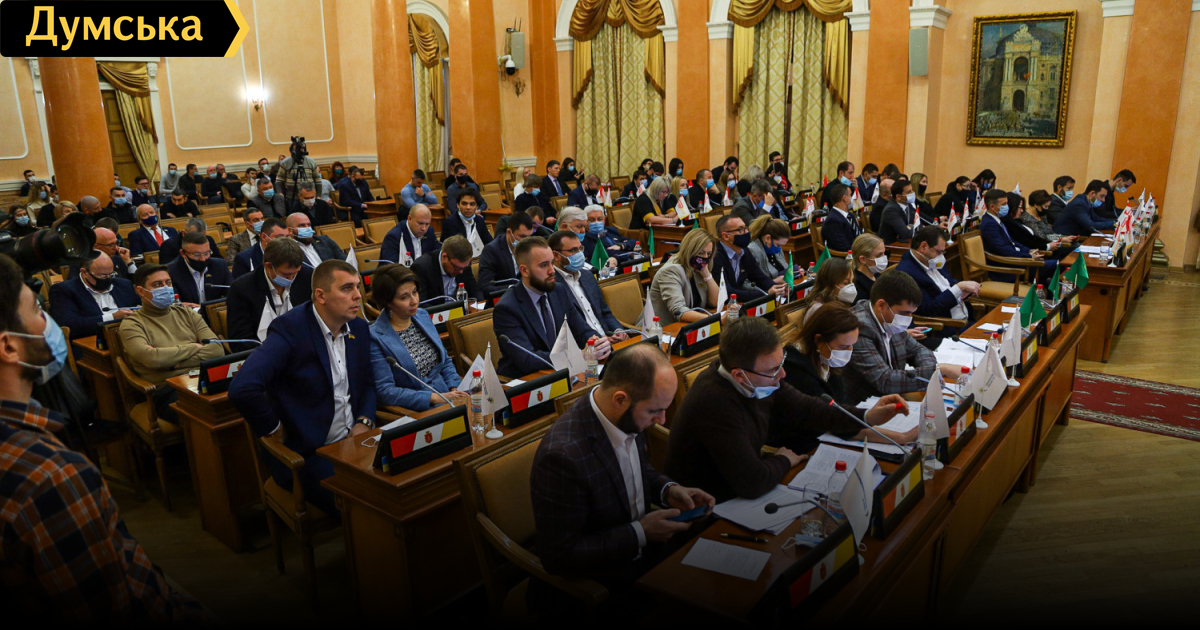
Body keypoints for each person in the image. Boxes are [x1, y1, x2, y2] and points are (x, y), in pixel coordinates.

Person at [0, 254, 209, 623]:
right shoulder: (49, 475)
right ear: (9, 347)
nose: (51, 324)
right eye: (37, 310)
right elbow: (118, 607)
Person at [529, 344, 714, 611]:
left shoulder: (624, 416)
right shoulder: (562, 457)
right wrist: (640, 533)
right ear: (620, 400)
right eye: (655, 411)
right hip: (600, 586)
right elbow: (559, 556)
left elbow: (636, 470)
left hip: (643, 557)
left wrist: (668, 490)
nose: (662, 420)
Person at [665, 316, 907, 503]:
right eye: (773, 369)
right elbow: (752, 482)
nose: (782, 374)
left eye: (781, 363)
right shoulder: (715, 403)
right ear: (739, 375)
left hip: (741, 486)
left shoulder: (758, 378)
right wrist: (783, 459)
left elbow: (809, 408)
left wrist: (867, 416)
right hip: (709, 506)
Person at [229, 260, 376, 517]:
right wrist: (273, 428)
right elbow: (243, 387)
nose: (357, 295)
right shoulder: (291, 330)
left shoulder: (359, 328)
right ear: (321, 295)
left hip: (356, 442)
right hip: (310, 453)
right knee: (369, 507)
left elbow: (368, 383)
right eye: (346, 288)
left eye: (357, 287)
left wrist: (364, 420)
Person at [781, 304, 921, 451]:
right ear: (818, 341)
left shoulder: (825, 358)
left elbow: (840, 409)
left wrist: (870, 415)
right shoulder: (797, 370)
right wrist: (902, 437)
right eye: (843, 347)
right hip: (798, 446)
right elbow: (834, 420)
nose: (848, 352)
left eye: (851, 346)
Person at [120, 263, 225, 424]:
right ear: (141, 291)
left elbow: (216, 350)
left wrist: (172, 364)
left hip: (205, 378)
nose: (165, 288)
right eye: (157, 284)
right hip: (168, 390)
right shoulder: (132, 324)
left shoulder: (187, 313)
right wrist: (193, 347)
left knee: (242, 398)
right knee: (204, 415)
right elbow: (152, 359)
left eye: (168, 283)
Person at [842, 270, 964, 404]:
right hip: (866, 405)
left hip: (896, 397)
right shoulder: (859, 328)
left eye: (911, 313)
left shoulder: (890, 320)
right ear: (881, 305)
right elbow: (885, 380)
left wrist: (932, 372)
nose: (908, 319)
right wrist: (938, 371)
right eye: (904, 313)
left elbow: (919, 350)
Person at [493, 237, 608, 378]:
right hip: (528, 379)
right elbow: (527, 359)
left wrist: (596, 343)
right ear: (525, 270)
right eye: (544, 265)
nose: (552, 270)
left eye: (552, 263)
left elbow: (581, 329)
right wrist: (577, 356)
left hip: (563, 372)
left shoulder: (558, 290)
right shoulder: (507, 308)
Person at [368, 264, 468, 411]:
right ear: (388, 302)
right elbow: (386, 391)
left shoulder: (422, 315)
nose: (414, 301)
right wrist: (433, 398)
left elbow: (445, 361)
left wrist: (454, 387)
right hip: (419, 408)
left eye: (415, 292)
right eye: (404, 297)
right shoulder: (375, 337)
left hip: (449, 396)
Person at [226, 237, 311, 344]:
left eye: (295, 273)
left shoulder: (306, 276)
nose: (291, 279)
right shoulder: (242, 288)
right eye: (286, 274)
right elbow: (240, 338)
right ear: (268, 266)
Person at [896, 226, 979, 333]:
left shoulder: (933, 261)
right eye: (939, 252)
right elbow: (928, 309)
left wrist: (963, 292)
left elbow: (949, 283)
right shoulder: (906, 273)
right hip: (951, 327)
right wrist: (958, 288)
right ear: (923, 247)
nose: (941, 257)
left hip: (967, 320)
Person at [549, 231, 627, 342]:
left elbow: (604, 311)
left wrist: (618, 330)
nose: (579, 254)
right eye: (573, 250)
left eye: (580, 248)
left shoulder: (587, 275)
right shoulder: (552, 286)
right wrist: (600, 340)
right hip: (587, 346)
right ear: (556, 255)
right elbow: (568, 329)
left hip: (610, 339)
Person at [49, 252, 139, 340]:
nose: (107, 279)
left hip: (131, 335)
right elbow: (69, 325)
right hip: (90, 342)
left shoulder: (123, 284)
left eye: (111, 274)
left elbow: (138, 306)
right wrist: (112, 317)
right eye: (102, 276)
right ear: (84, 272)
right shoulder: (63, 290)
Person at [647, 229, 722, 326]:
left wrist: (707, 275)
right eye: (701, 253)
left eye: (709, 254)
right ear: (690, 250)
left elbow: (715, 302)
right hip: (661, 328)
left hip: (687, 325)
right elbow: (679, 311)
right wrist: (715, 319)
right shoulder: (671, 271)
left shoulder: (697, 268)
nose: (705, 257)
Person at [980, 189, 1057, 283]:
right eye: (1004, 204)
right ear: (992, 206)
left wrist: (1029, 251)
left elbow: (1012, 242)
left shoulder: (997, 219)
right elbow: (1003, 250)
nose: (1007, 207)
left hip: (1016, 260)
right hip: (1007, 268)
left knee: (1053, 266)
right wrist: (1028, 256)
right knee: (1057, 265)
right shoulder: (989, 224)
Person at [712, 214, 786, 302]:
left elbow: (759, 277)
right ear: (726, 236)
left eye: (745, 227)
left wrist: (779, 288)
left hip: (737, 302)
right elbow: (726, 291)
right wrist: (766, 294)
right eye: (740, 229)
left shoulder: (744, 250)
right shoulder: (716, 256)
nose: (746, 232)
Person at [166, 232, 230, 306]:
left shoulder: (219, 266)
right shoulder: (170, 272)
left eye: (206, 253)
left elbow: (231, 294)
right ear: (183, 253)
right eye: (196, 255)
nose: (203, 259)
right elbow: (175, 304)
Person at [478, 211, 535, 294]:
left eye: (529, 236)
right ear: (509, 232)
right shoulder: (491, 250)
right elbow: (485, 286)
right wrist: (512, 288)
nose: (526, 241)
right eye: (522, 236)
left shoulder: (531, 248)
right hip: (503, 297)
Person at [411, 235, 481, 302]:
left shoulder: (463, 265)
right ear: (444, 257)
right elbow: (421, 303)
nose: (461, 272)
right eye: (457, 268)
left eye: (464, 268)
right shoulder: (422, 268)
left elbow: (475, 291)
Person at [1017, 190, 1077, 256]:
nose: (1047, 209)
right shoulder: (1027, 218)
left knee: (1076, 246)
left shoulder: (1041, 215)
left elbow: (1050, 232)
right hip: (1043, 248)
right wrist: (1061, 239)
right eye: (1045, 206)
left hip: (1053, 244)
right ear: (1036, 205)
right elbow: (1041, 236)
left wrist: (1064, 237)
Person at [798, 257, 856, 324]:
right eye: (846, 283)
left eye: (852, 281)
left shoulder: (840, 302)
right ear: (829, 284)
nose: (851, 286)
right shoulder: (819, 311)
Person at [439, 188, 491, 257]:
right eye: (464, 204)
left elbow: (489, 243)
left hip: (479, 258)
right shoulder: (449, 222)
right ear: (458, 205)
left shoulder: (479, 220)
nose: (468, 207)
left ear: (477, 207)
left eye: (472, 204)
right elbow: (450, 249)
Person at [746, 215, 791, 282]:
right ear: (767, 238)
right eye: (778, 245)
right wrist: (775, 281)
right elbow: (750, 283)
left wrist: (795, 272)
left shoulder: (775, 246)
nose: (780, 249)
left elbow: (784, 269)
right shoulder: (752, 251)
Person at [821, 182, 863, 253]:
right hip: (847, 257)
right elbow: (843, 248)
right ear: (845, 198)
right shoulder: (833, 221)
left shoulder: (850, 215)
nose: (853, 199)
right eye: (850, 195)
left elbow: (859, 236)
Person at [877, 179, 916, 244]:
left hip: (904, 241)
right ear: (898, 197)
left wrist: (910, 227)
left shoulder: (908, 205)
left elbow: (918, 225)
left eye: (912, 190)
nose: (913, 193)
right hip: (890, 245)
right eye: (909, 192)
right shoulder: (891, 210)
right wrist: (911, 228)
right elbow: (905, 234)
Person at [852, 233, 887, 303]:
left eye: (884, 253)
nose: (884, 257)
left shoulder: (877, 275)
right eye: (879, 255)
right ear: (863, 259)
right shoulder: (858, 286)